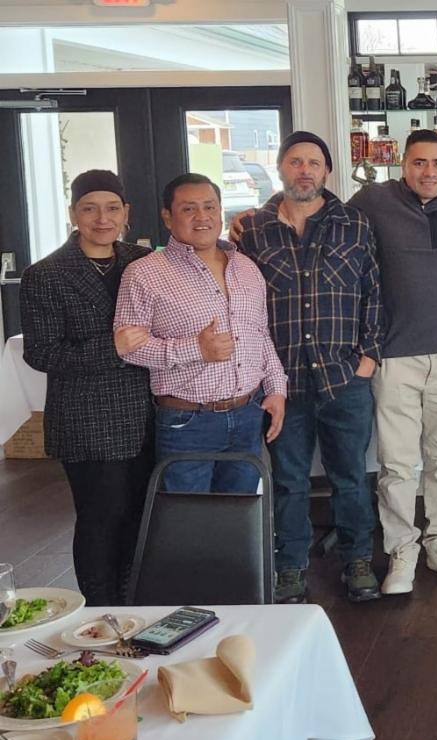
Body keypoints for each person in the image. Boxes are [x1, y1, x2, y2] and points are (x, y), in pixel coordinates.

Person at [236, 131, 384, 604]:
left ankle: (357, 560)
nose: (305, 170)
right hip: (281, 383)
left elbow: (374, 293)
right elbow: (241, 303)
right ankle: (290, 567)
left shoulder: (354, 224)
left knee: (351, 478)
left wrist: (368, 358)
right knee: (288, 482)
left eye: (314, 163)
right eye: (295, 162)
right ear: (281, 168)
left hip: (344, 378)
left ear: (327, 171)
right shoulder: (253, 231)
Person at [348, 129, 437, 596]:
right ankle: (402, 549)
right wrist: (256, 218)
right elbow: (320, 213)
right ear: (402, 164)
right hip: (394, 354)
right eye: (419, 162)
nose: (429, 172)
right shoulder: (373, 201)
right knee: (398, 463)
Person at [19, 171, 154, 605]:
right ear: (73, 214)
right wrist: (111, 347)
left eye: (112, 208)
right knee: (101, 519)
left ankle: (133, 603)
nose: (102, 218)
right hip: (87, 420)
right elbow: (41, 353)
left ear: (126, 213)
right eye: (90, 209)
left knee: (140, 517)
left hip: (146, 415)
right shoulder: (45, 274)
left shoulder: (143, 261)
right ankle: (99, 610)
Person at [115, 173, 287, 493]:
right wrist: (196, 349)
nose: (202, 216)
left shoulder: (246, 267)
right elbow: (129, 348)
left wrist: (277, 389)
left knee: (240, 513)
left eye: (209, 207)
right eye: (188, 209)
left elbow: (261, 334)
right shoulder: (144, 273)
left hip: (248, 414)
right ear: (168, 217)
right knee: (188, 516)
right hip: (187, 422)